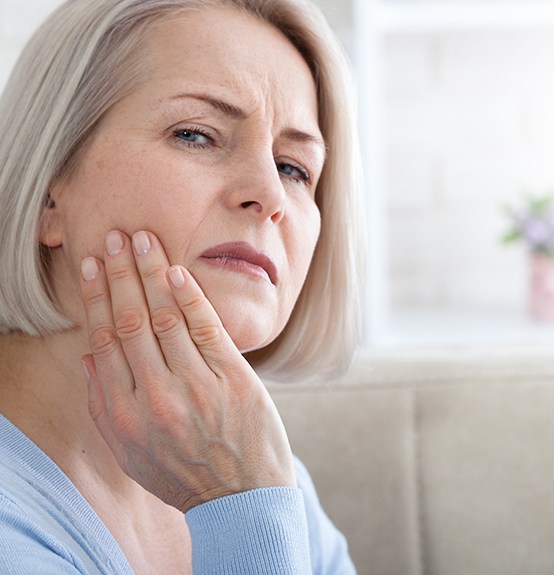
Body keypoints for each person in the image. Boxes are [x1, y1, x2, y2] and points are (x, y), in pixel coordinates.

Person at [0, 0, 363, 572]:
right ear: (48, 190)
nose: (269, 195)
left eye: (295, 168)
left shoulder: (262, 475)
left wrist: (247, 494)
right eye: (197, 135)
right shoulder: (246, 488)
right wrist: (238, 506)